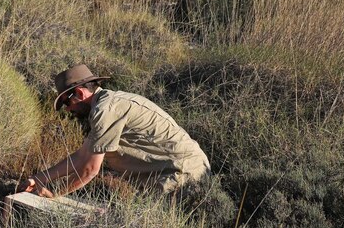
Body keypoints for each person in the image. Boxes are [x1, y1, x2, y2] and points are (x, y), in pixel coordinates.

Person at [18, 64, 210, 198]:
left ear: (79, 93)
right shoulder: (107, 104)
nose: (68, 110)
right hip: (180, 169)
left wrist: (55, 196)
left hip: (181, 173)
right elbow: (83, 156)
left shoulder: (105, 111)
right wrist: (39, 179)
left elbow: (89, 170)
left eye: (67, 103)